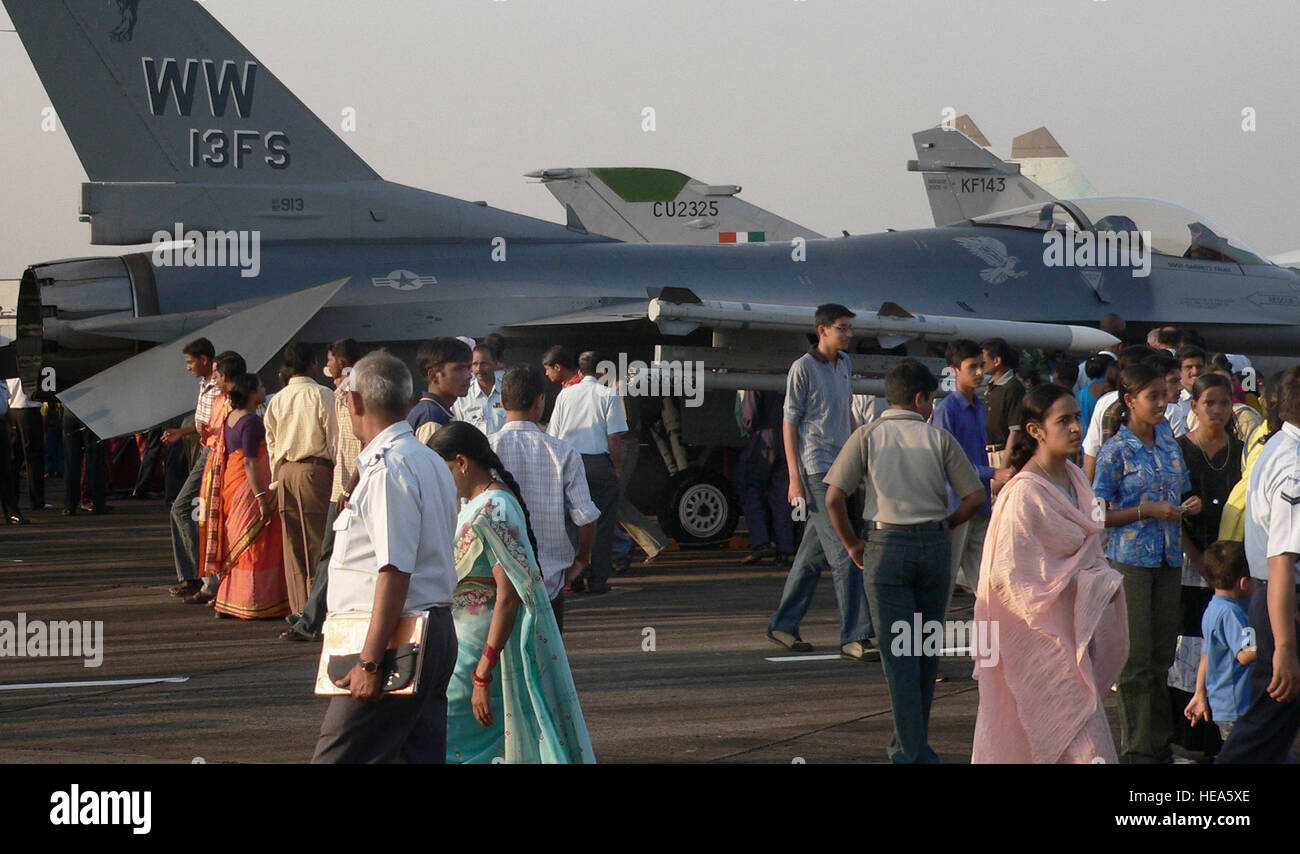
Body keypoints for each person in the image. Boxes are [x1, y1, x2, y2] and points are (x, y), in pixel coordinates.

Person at [823, 359, 985, 763]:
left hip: (885, 545)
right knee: (925, 652)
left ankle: (911, 754)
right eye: (931, 399)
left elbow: (833, 498)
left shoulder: (867, 435)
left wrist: (851, 544)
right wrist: (947, 524)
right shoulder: (938, 439)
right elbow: (976, 496)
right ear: (920, 398)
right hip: (932, 546)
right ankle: (909, 745)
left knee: (899, 658)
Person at [311, 351, 459, 764]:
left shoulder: (389, 468)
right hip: (429, 627)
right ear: (408, 402)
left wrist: (371, 662)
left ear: (355, 402)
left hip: (396, 637)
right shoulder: (427, 459)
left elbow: (394, 571)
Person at [972, 384, 1129, 763]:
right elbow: (1010, 582)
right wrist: (1088, 583)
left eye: (1077, 417)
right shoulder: (1023, 495)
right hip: (1040, 639)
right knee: (1073, 741)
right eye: (1064, 420)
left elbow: (1089, 553)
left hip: (1076, 635)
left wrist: (1094, 582)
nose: (1076, 427)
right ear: (1035, 430)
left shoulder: (1075, 477)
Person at [430, 423, 596, 763]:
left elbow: (509, 595)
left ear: (461, 462)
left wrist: (482, 673)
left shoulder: (493, 508)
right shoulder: (484, 503)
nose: (442, 481)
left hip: (476, 651)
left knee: (453, 741)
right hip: (465, 644)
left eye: (444, 470)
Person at [1092, 363, 1201, 763]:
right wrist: (1145, 510)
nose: (1161, 403)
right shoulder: (1114, 451)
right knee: (1135, 660)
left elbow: (1187, 489)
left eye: (1163, 395)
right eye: (1152, 397)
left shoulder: (1169, 442)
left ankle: (1158, 743)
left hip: (1169, 558)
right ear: (1129, 401)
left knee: (1161, 657)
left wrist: (1189, 504)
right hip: (1131, 562)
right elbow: (1097, 512)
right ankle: (1138, 748)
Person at [767, 304, 876, 661]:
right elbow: (789, 424)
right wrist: (794, 479)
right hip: (816, 470)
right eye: (842, 328)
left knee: (811, 557)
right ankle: (854, 635)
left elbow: (845, 413)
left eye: (849, 328)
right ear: (822, 330)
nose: (848, 334)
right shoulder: (802, 368)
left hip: (840, 467)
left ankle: (783, 623)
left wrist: (857, 459)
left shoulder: (844, 364)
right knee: (847, 553)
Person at [1216, 366, 1300, 763]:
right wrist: (1285, 645)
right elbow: (1282, 560)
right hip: (1286, 603)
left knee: (1272, 721)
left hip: (1277, 600)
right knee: (1268, 720)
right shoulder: (1294, 468)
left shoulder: (1278, 446)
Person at [489, 365, 599, 631]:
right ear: (540, 402)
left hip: (493, 584)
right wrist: (581, 561)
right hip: (548, 583)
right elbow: (586, 516)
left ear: (501, 402)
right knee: (548, 667)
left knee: (500, 669)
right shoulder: (563, 452)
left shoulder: (484, 449)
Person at [282, 338, 365, 642]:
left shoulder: (353, 393)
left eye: (330, 359)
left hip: (350, 487)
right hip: (340, 485)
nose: (325, 364)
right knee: (328, 551)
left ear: (341, 362)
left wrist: (349, 486)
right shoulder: (339, 394)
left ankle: (311, 618)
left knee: (330, 553)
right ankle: (312, 613)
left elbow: (364, 444)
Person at [196, 373, 290, 619]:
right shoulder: (251, 422)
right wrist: (260, 497)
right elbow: (249, 461)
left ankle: (229, 599)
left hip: (233, 485)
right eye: (260, 386)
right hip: (249, 488)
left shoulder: (230, 418)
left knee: (236, 543)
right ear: (250, 393)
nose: (263, 389)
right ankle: (255, 601)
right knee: (255, 545)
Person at [929, 340, 1008, 611]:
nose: (979, 373)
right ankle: (922, 646)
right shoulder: (946, 410)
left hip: (979, 504)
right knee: (943, 583)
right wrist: (993, 472)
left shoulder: (977, 404)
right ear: (953, 371)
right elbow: (948, 464)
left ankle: (1000, 645)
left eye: (981, 366)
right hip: (956, 508)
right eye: (972, 367)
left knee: (987, 582)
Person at [265, 342, 336, 616]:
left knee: (293, 546)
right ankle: (317, 611)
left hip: (285, 472)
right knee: (319, 543)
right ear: (312, 365)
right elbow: (334, 439)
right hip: (313, 469)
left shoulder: (277, 399)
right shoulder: (322, 394)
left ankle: (299, 610)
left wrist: (275, 479)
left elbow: (271, 442)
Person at [547, 351, 626, 595]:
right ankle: (598, 581)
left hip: (571, 462)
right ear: (603, 372)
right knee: (602, 524)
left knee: (572, 522)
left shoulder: (565, 395)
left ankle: (573, 578)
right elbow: (614, 437)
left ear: (579, 372)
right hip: (598, 464)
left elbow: (554, 434)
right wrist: (616, 468)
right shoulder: (608, 394)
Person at [1185, 541, 1256, 745]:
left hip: (1225, 706)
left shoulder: (1213, 608)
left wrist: (1200, 693)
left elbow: (1206, 655)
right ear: (1243, 583)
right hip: (1239, 706)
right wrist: (1280, 644)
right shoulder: (1232, 613)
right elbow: (1245, 654)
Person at [164, 338, 219, 598]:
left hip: (212, 451)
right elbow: (204, 423)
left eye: (190, 362)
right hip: (204, 447)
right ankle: (196, 575)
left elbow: (216, 423)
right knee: (195, 511)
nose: (188, 367)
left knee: (182, 507)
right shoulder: (205, 384)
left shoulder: (218, 386)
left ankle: (195, 575)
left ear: (205, 360)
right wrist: (182, 431)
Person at [738, 389, 794, 566]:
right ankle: (784, 548)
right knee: (781, 497)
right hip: (786, 438)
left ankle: (761, 543)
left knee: (751, 490)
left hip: (763, 437)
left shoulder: (756, 377)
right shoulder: (790, 373)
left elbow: (750, 416)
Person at [5, 376, 47, 511]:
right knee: (33, 456)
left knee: (14, 458)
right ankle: (37, 500)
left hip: (11, 409)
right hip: (29, 409)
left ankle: (12, 498)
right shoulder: (29, 366)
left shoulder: (9, 364)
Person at [981, 338, 1024, 468]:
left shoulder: (1012, 388)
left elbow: (1015, 431)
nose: (980, 364)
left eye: (983, 360)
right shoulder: (990, 387)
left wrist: (1003, 466)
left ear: (997, 361)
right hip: (987, 453)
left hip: (1002, 455)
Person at [452, 343, 505, 435]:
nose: (479, 369)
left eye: (484, 364)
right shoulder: (462, 395)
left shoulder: (508, 390)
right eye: (475, 364)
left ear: (495, 364)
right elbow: (456, 429)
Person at [0, 380, 24, 525]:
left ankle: (12, 512)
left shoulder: (2, 381)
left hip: (1, 425)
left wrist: (12, 427)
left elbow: (6, 405)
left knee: (5, 471)